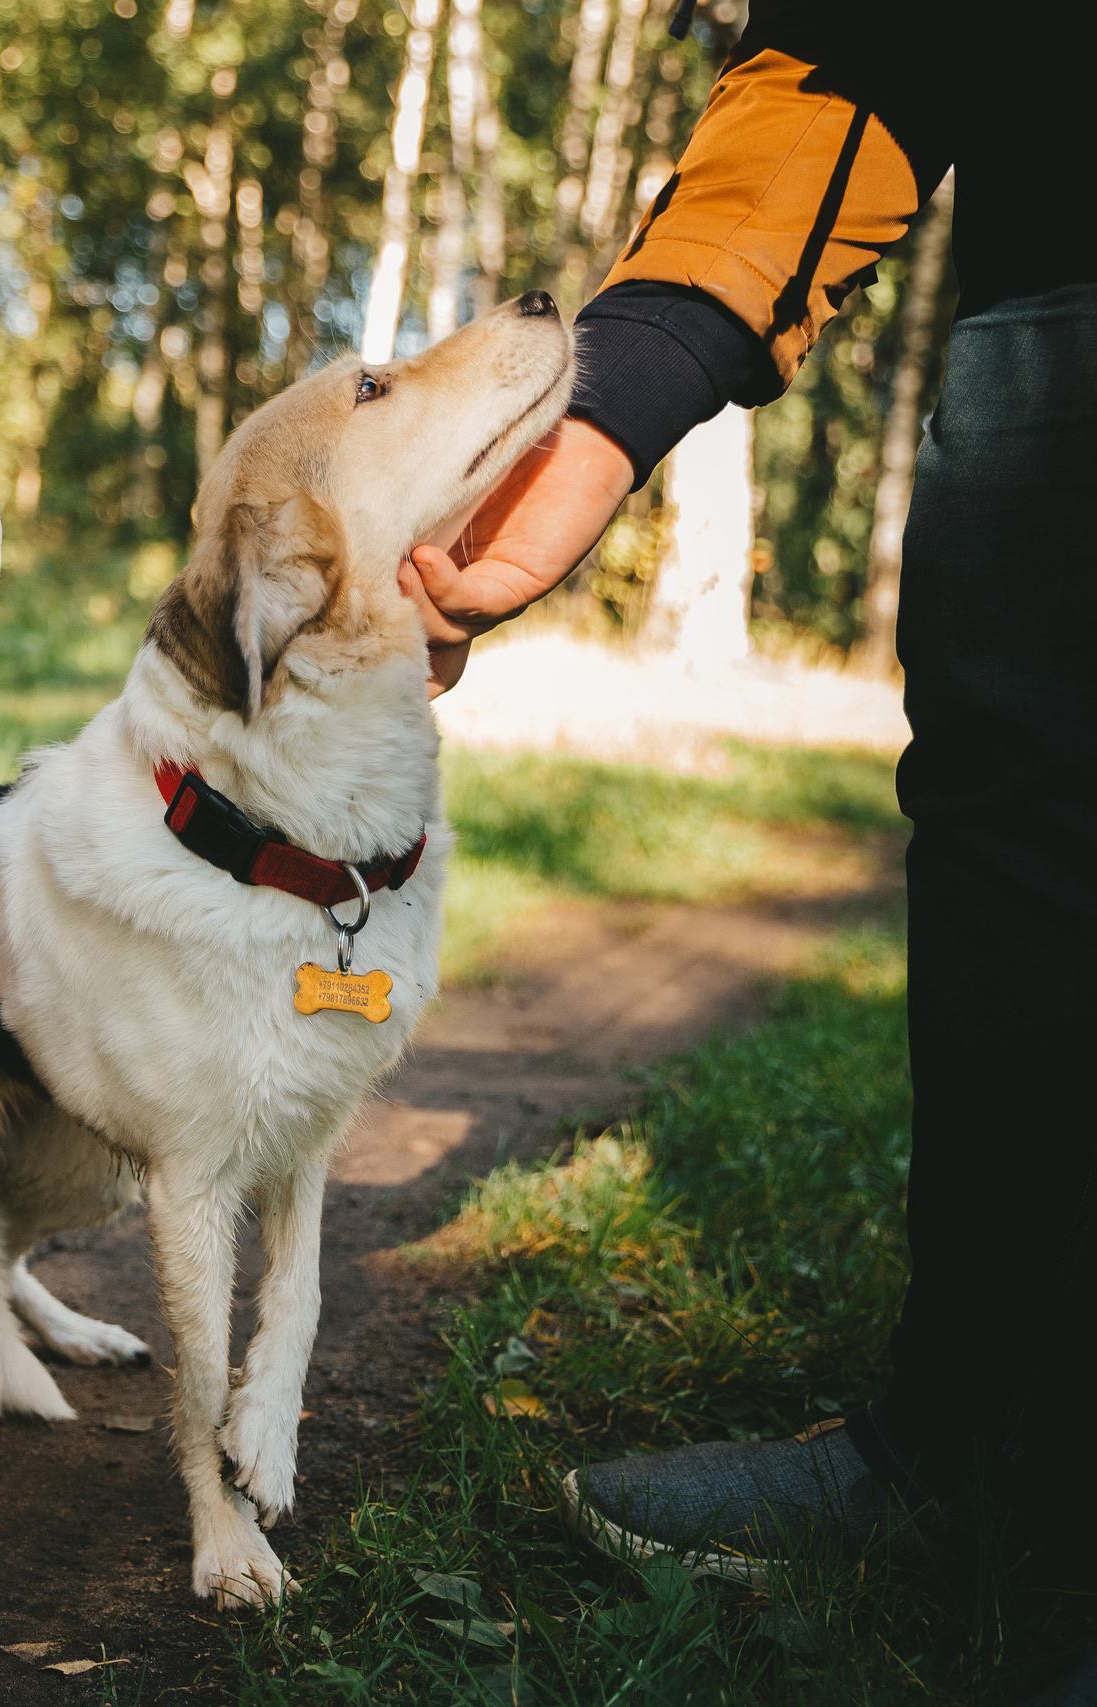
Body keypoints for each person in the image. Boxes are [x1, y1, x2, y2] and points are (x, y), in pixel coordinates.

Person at [400, 0, 1097, 1608]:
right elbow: (855, 53)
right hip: (1055, 291)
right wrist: (605, 412)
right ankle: (972, 1443)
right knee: (1006, 801)